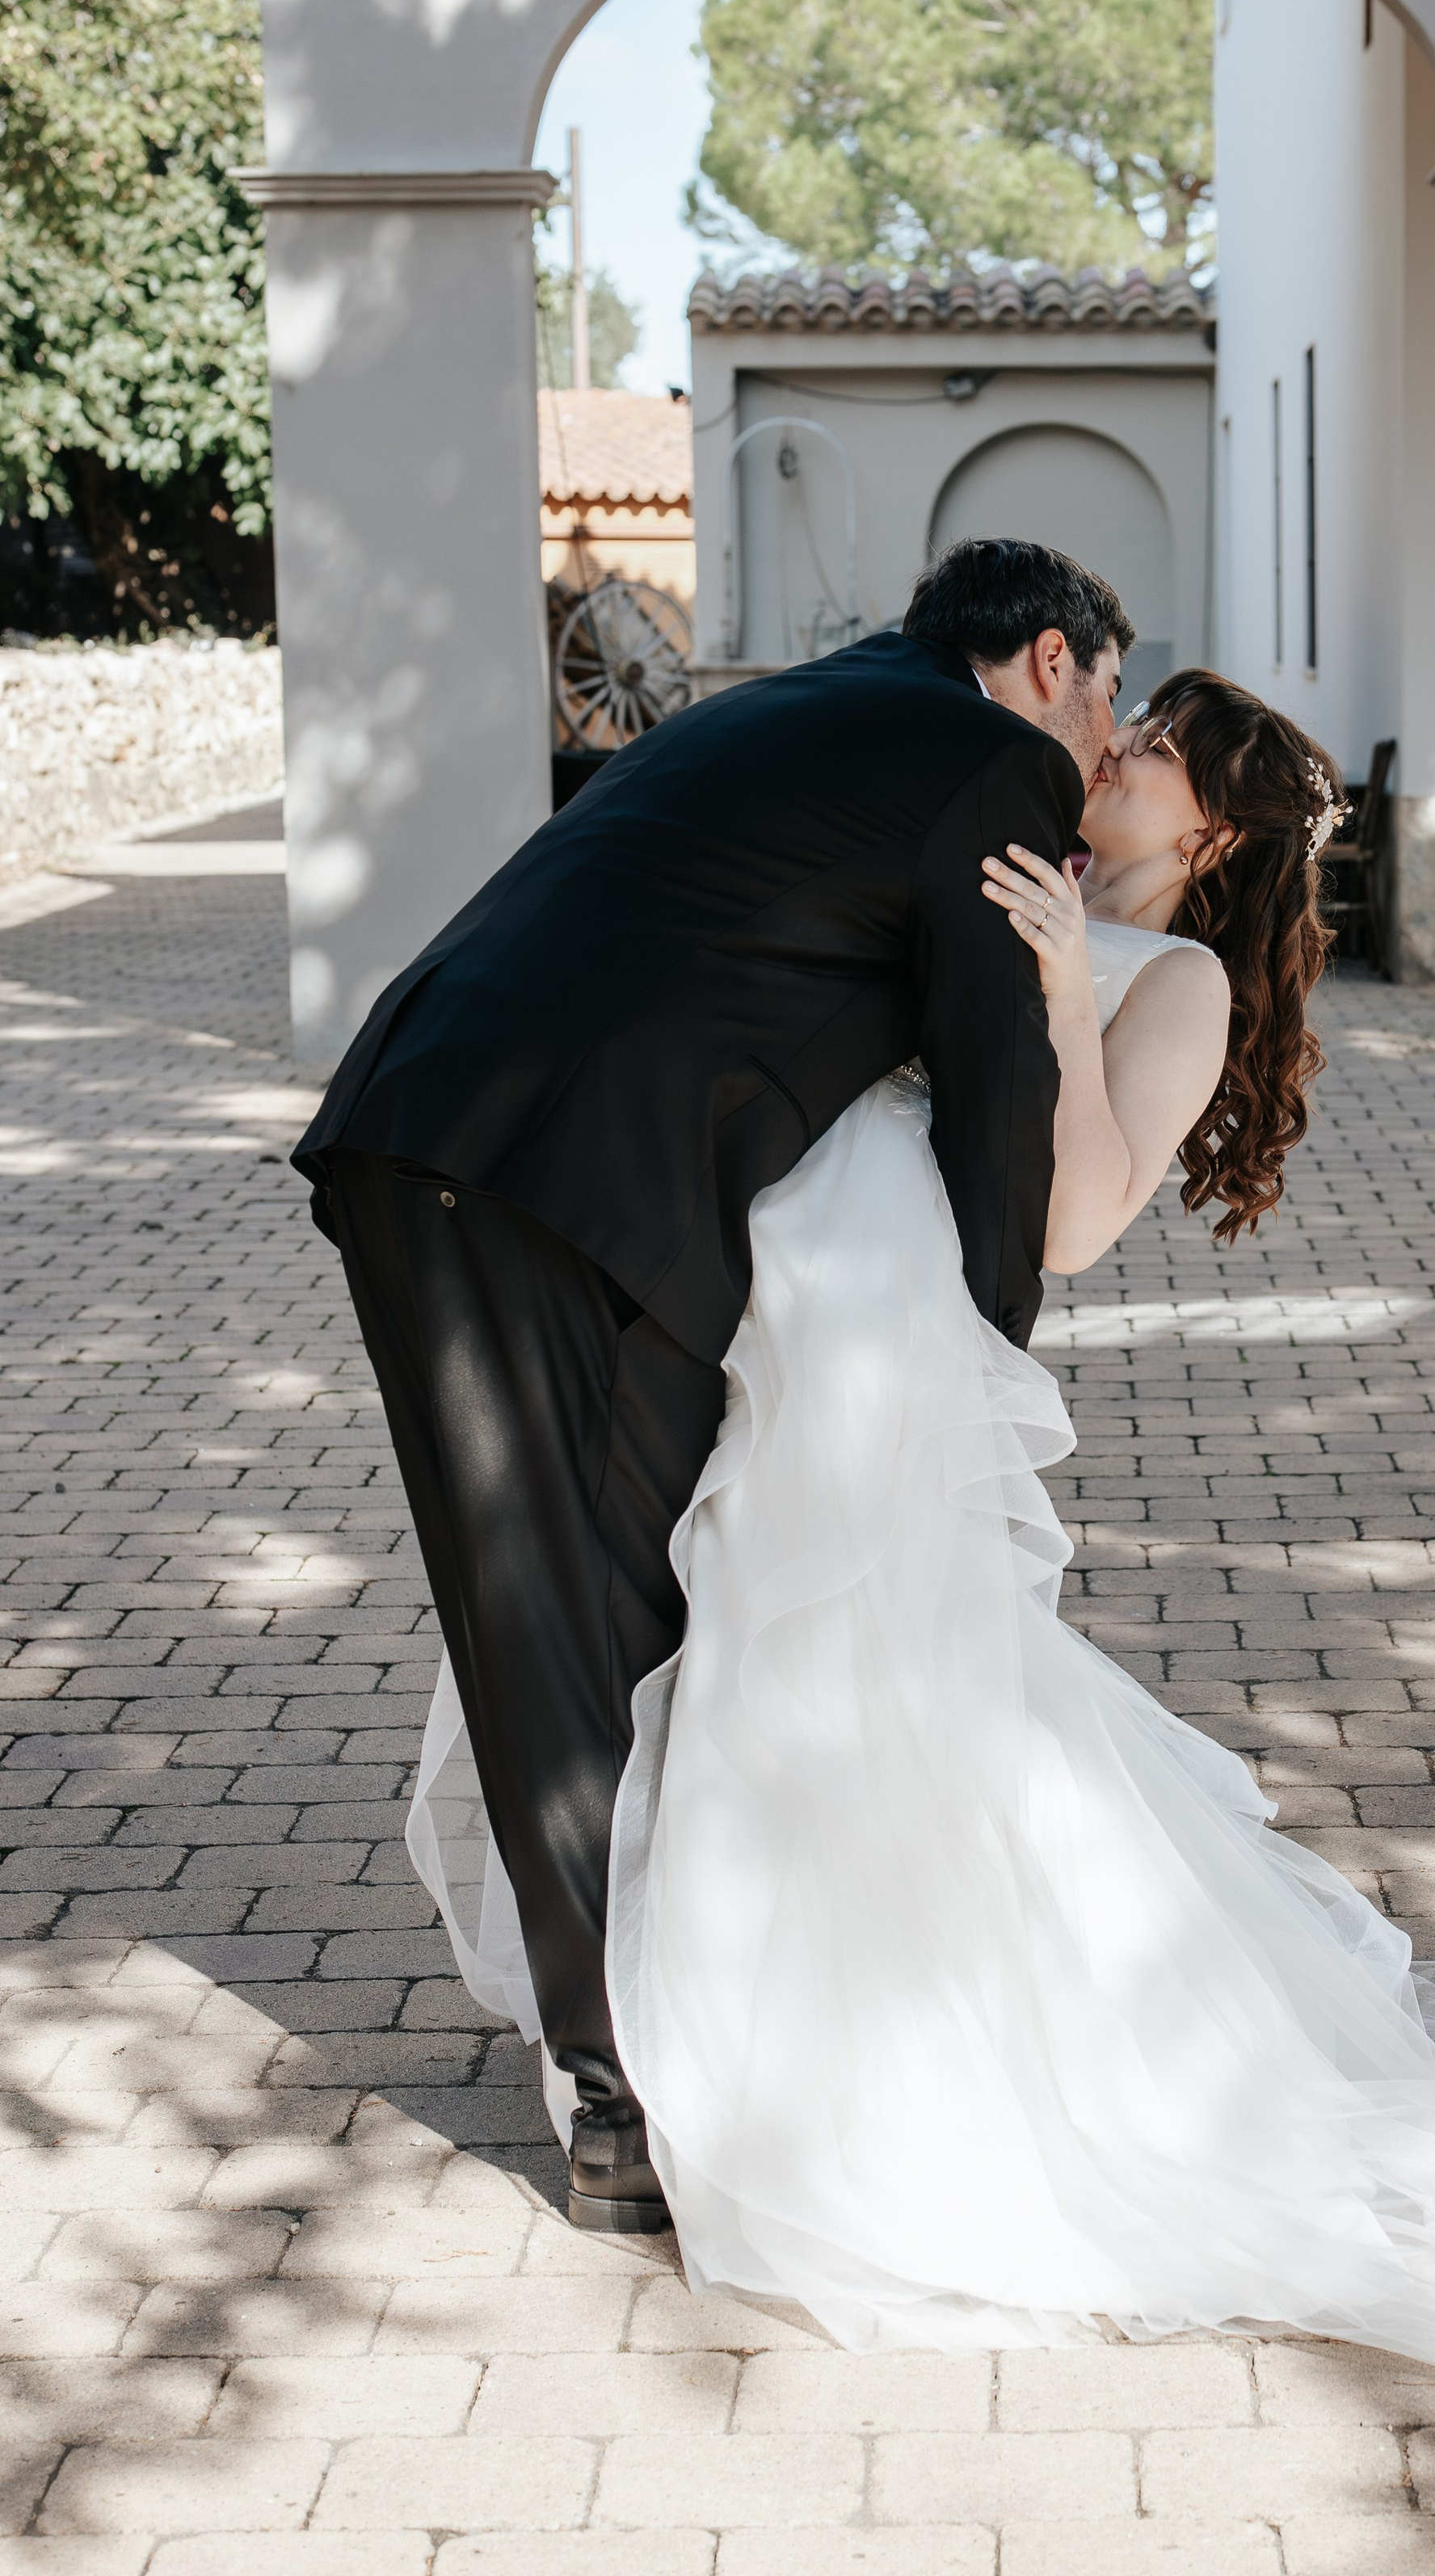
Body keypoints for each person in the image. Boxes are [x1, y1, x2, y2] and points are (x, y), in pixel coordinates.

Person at [591, 664, 1435, 2376]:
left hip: (889, 1340)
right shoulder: (1013, 847)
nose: (1112, 755)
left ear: (1207, 831)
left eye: (1155, 753)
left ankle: (857, 2082)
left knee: (839, 1660)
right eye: (1126, 730)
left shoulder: (1171, 978)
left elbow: (1078, 1223)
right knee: (771, 1633)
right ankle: (783, 2049)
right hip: (801, 1270)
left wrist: (1053, 987)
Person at [295, 539, 1127, 2233]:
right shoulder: (999, 763)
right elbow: (993, 1091)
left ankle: (672, 2039)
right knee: (579, 1622)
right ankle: (622, 2102)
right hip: (544, 1178)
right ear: (1047, 659)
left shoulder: (821, 702)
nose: (1105, 745)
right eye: (1108, 693)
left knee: (590, 1604)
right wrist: (972, 1373)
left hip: (443, 1127)